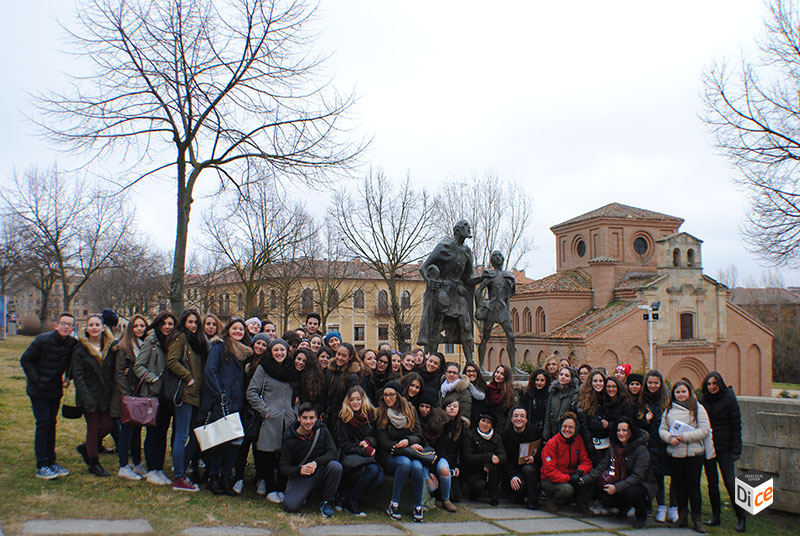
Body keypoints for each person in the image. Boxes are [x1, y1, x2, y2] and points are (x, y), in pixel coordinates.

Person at [20, 312, 79, 479]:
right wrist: (36, 379)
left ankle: (51, 461)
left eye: (69, 324)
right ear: (56, 325)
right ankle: (42, 465)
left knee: (52, 425)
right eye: (63, 323)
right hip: (38, 390)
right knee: (43, 424)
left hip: (55, 390)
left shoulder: (72, 344)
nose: (66, 326)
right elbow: (26, 360)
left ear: (72, 328)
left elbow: (73, 364)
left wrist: (69, 377)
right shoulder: (42, 340)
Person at [201, 317, 252, 496]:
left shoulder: (244, 352)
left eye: (241, 329)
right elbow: (210, 370)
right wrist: (219, 392)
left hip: (238, 401)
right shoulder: (219, 346)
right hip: (222, 400)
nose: (238, 332)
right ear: (228, 330)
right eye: (235, 328)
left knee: (234, 442)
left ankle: (225, 477)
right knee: (220, 440)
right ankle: (214, 477)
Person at [418, 220, 480, 361]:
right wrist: (430, 281)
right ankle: (431, 361)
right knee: (436, 326)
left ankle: (470, 363)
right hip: (442, 292)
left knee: (467, 325)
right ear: (457, 230)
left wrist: (482, 279)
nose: (468, 228)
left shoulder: (467, 252)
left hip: (457, 293)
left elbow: (469, 278)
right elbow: (423, 268)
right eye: (465, 226)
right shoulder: (443, 247)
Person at [246, 338, 298, 502]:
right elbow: (252, 392)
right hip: (270, 418)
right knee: (267, 454)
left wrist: (295, 413)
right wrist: (265, 410)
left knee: (285, 455)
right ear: (270, 352)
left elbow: (300, 393)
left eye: (282, 350)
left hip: (288, 419)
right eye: (275, 350)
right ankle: (269, 487)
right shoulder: (264, 368)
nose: (279, 353)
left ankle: (281, 488)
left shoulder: (292, 369)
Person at [659, 380, 711, 533]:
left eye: (683, 392)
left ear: (689, 393)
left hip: (694, 454)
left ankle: (697, 519)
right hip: (675, 453)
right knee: (679, 487)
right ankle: (682, 517)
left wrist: (683, 437)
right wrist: (669, 438)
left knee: (693, 488)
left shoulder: (698, 408)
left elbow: (704, 430)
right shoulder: (669, 410)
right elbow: (662, 429)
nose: (681, 395)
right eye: (678, 392)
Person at [133, 310, 177, 486]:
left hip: (168, 395)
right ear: (159, 324)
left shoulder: (173, 342)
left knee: (163, 432)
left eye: (170, 324)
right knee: (153, 433)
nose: (167, 327)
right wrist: (152, 378)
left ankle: (159, 468)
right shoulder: (151, 341)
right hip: (154, 394)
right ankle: (152, 470)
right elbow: (139, 366)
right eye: (164, 323)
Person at [588, 417, 656, 529]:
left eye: (625, 430)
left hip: (642, 484)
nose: (621, 433)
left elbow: (638, 476)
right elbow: (601, 467)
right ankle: (624, 507)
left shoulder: (641, 449)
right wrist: (583, 480)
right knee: (606, 496)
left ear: (631, 432)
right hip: (620, 481)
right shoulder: (614, 448)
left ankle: (641, 516)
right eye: (619, 430)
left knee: (632, 492)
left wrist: (616, 487)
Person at [165, 309, 206, 492]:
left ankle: (182, 466)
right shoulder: (180, 337)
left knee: (195, 435)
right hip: (185, 393)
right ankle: (179, 477)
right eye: (190, 322)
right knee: (182, 435)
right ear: (184, 322)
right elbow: (172, 361)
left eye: (196, 322)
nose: (194, 325)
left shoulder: (196, 341)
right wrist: (188, 377)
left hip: (196, 394)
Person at [700, 372, 745, 532]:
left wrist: (735, 450)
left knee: (730, 483)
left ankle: (741, 517)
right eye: (709, 384)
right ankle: (715, 515)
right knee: (712, 483)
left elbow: (736, 425)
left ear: (720, 384)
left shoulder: (729, 398)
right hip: (709, 447)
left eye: (714, 384)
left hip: (725, 448)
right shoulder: (703, 400)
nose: (712, 387)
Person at [376, 380, 427, 522]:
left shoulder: (410, 410)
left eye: (391, 394)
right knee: (405, 464)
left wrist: (410, 441)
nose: (388, 398)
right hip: (390, 455)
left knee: (417, 466)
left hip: (409, 451)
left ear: (398, 395)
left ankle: (418, 505)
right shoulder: (381, 413)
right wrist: (407, 447)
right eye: (385, 395)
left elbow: (418, 435)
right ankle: (394, 503)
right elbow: (384, 443)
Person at [71, 314, 116, 477]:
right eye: (91, 325)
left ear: (103, 327)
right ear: (87, 328)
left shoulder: (110, 347)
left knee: (108, 425)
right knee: (93, 426)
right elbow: (78, 377)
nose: (95, 327)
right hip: (88, 394)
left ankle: (86, 447)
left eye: (98, 324)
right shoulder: (80, 350)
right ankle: (94, 463)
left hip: (106, 395)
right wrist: (86, 398)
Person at [280, 403, 342, 516]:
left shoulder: (322, 430)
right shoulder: (289, 438)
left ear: (316, 418)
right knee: (290, 506)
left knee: (335, 466)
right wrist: (299, 470)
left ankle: (327, 501)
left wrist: (316, 463)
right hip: (301, 476)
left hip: (319, 471)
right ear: (298, 418)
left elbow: (332, 453)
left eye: (311, 418)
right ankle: (303, 495)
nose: (308, 422)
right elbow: (283, 467)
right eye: (305, 418)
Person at [336, 386, 385, 516]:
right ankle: (352, 502)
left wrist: (369, 442)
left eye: (358, 399)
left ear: (363, 400)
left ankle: (346, 495)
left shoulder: (370, 415)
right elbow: (344, 444)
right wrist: (364, 450)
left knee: (379, 477)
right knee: (374, 470)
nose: (355, 402)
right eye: (352, 400)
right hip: (352, 459)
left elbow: (375, 437)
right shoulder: (344, 417)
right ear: (348, 401)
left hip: (367, 457)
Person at [112, 314, 148, 480]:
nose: (140, 329)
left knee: (137, 430)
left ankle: (137, 462)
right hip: (127, 396)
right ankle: (124, 465)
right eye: (136, 326)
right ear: (130, 329)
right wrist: (126, 395)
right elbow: (119, 372)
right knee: (127, 431)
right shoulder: (124, 347)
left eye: (142, 326)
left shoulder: (145, 345)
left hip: (140, 394)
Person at [234, 332, 270, 495]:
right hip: (244, 407)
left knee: (259, 445)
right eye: (258, 343)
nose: (260, 347)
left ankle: (261, 478)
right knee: (242, 444)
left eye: (264, 345)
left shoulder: (268, 363)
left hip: (260, 407)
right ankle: (239, 477)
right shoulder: (245, 360)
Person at [636, 370, 673, 523]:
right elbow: (638, 424)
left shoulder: (667, 401)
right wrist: (645, 420)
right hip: (650, 445)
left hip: (667, 443)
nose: (652, 386)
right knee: (656, 477)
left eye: (656, 383)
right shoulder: (642, 400)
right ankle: (660, 507)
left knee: (673, 477)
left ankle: (674, 509)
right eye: (650, 383)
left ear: (661, 384)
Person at [540, 412, 593, 514]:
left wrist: (579, 472)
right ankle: (552, 499)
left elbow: (586, 461)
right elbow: (550, 471)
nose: (567, 430)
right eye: (564, 426)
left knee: (590, 478)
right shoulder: (552, 443)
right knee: (567, 489)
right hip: (550, 480)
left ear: (576, 429)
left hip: (571, 475)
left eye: (571, 427)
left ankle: (581, 503)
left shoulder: (578, 440)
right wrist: (568, 478)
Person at [475, 250, 517, 371]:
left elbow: (508, 297)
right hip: (492, 308)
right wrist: (479, 307)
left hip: (503, 309)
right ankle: (482, 366)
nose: (498, 258)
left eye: (499, 256)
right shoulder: (490, 274)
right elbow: (479, 291)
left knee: (511, 336)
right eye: (495, 256)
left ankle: (513, 366)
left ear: (503, 259)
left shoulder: (507, 276)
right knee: (485, 337)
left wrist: (508, 313)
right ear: (492, 260)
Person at [462, 412, 506, 505]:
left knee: (495, 468)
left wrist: (492, 462)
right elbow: (468, 458)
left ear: (492, 425)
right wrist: (488, 457)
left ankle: (493, 496)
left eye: (488, 422)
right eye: (483, 421)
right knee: (478, 486)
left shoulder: (497, 437)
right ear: (478, 422)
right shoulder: (470, 435)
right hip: (474, 471)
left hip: (491, 471)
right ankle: (473, 493)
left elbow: (502, 455)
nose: (485, 424)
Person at [434, 394, 470, 511]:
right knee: (444, 471)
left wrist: (457, 466)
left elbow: (461, 448)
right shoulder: (438, 423)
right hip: (440, 458)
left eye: (455, 406)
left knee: (457, 496)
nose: (452, 408)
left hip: (453, 460)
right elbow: (439, 447)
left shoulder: (461, 426)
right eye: (449, 406)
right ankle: (445, 500)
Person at [502, 406, 541, 509]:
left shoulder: (535, 432)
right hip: (514, 470)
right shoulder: (505, 435)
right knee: (518, 488)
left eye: (522, 416)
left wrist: (535, 458)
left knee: (528, 470)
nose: (518, 419)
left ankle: (533, 500)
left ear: (526, 420)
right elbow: (505, 459)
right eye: (516, 416)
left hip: (530, 468)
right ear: (511, 419)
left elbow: (542, 452)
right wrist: (512, 476)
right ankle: (517, 495)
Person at [324, 342, 363, 426]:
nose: (339, 358)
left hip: (343, 419)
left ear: (350, 357)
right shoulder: (330, 371)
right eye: (338, 354)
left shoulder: (352, 376)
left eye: (344, 356)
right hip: (329, 417)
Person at [577, 370, 607, 463]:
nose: (598, 384)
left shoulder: (607, 398)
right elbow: (584, 426)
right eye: (595, 381)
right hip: (593, 444)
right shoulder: (584, 401)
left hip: (607, 442)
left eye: (600, 381)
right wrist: (590, 446)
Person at [542, 367, 580, 440]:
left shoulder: (575, 395)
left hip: (567, 433)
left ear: (571, 379)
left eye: (567, 375)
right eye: (561, 374)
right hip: (553, 433)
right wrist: (546, 433)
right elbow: (548, 414)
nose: (563, 377)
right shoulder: (553, 393)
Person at [485, 364, 515, 431]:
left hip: (504, 427)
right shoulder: (488, 389)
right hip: (489, 426)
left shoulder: (510, 392)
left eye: (502, 374)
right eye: (497, 372)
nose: (498, 375)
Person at [520, 369, 549, 436]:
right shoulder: (528, 395)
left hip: (544, 428)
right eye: (537, 380)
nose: (539, 383)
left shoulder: (549, 395)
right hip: (531, 428)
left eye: (542, 380)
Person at [462, 361, 488, 426]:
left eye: (474, 371)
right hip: (466, 422)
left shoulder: (483, 387)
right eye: (468, 371)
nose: (471, 373)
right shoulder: (462, 387)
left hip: (481, 423)